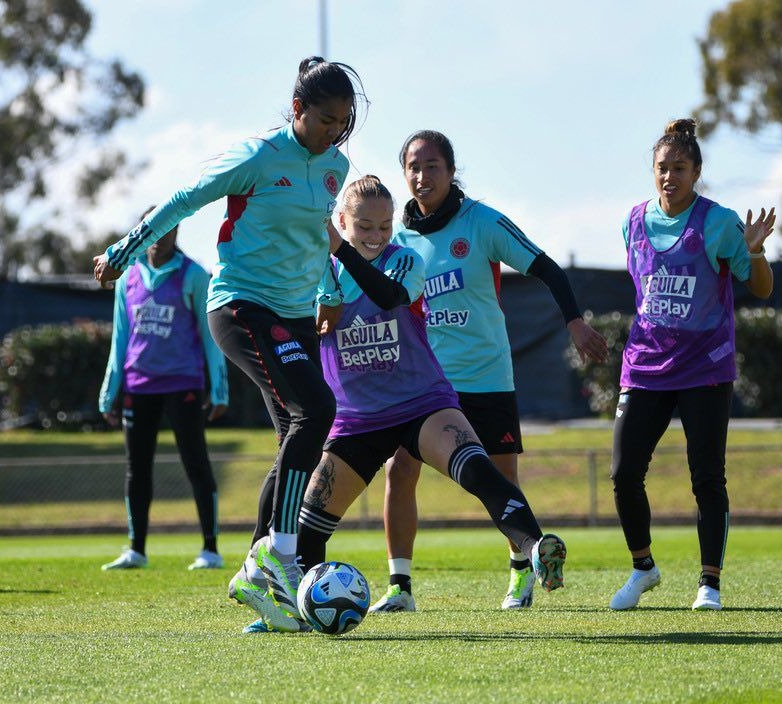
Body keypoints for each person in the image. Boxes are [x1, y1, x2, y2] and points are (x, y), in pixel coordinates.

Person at [93, 57, 366, 631]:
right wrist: (122, 252)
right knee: (317, 410)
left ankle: (256, 576)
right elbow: (185, 198)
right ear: (297, 109)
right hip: (242, 303)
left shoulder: (337, 167)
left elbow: (318, 236)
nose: (334, 132)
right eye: (324, 120)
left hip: (294, 316)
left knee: (297, 435)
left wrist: (330, 290)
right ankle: (282, 554)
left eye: (343, 123)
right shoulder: (257, 157)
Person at [284, 175, 565, 634]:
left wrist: (340, 251)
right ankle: (301, 612)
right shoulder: (316, 272)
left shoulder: (405, 261)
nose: (376, 236)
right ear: (340, 222)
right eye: (364, 226)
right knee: (307, 530)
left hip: (421, 404)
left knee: (477, 469)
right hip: (356, 421)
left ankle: (535, 550)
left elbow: (388, 295)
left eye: (384, 226)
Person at [369, 131, 608, 613]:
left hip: (486, 376)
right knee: (400, 471)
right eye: (413, 167)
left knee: (501, 480)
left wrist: (575, 322)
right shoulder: (397, 242)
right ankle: (400, 587)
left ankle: (521, 571)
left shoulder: (483, 223)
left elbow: (546, 268)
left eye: (432, 165)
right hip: (424, 384)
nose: (422, 175)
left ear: (452, 170)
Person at [608, 119, 775, 612]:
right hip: (644, 368)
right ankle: (643, 569)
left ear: (696, 172)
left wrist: (756, 251)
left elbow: (761, 288)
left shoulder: (720, 223)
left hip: (705, 368)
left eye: (679, 168)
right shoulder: (632, 222)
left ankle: (709, 583)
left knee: (706, 476)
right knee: (623, 473)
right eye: (662, 168)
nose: (669, 177)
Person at [98, 210, 229, 572]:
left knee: (196, 465)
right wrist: (110, 392)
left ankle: (210, 549)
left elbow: (211, 336)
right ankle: (135, 549)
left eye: (166, 227)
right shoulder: (128, 277)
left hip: (183, 385)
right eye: (151, 228)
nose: (158, 235)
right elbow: (120, 337)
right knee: (136, 469)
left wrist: (219, 391)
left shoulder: (194, 275)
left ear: (177, 230)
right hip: (139, 386)